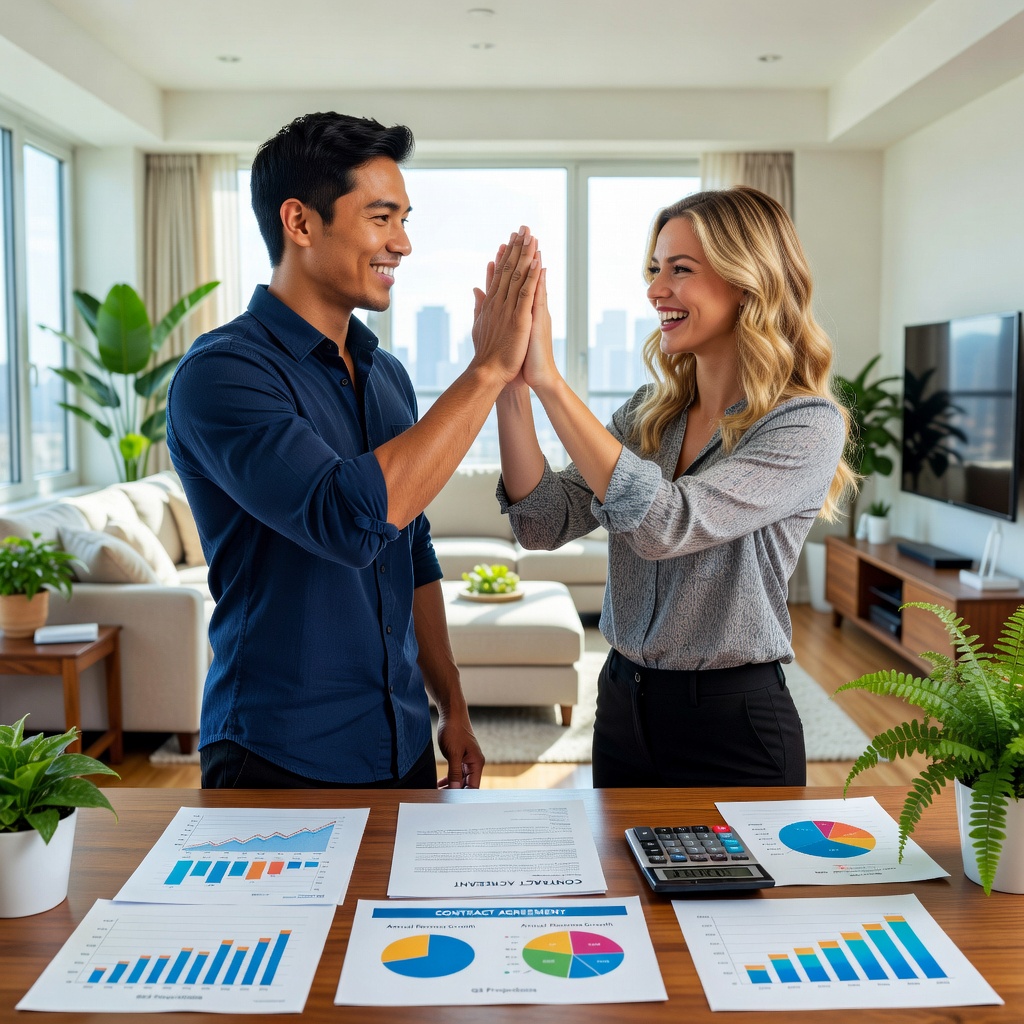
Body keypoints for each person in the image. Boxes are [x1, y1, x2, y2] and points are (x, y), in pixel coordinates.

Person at [166, 111, 541, 789]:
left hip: (401, 744)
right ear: (301, 223)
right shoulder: (222, 374)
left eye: (405, 220)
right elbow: (349, 520)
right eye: (381, 218)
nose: (402, 243)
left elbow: (411, 541)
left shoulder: (386, 374)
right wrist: (487, 370)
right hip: (277, 752)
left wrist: (450, 701)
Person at [493, 186, 856, 788]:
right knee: (626, 885)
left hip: (733, 725)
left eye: (680, 270)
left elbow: (668, 524)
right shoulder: (649, 415)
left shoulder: (803, 423)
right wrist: (511, 381)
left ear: (747, 281)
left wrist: (551, 381)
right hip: (621, 707)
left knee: (726, 889)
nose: (655, 289)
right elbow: (541, 522)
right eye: (655, 269)